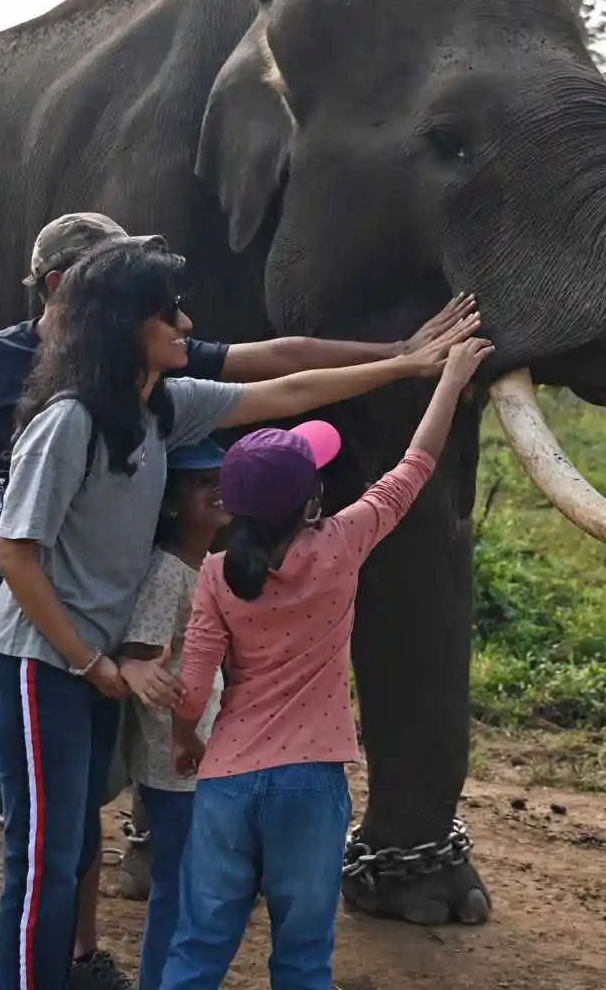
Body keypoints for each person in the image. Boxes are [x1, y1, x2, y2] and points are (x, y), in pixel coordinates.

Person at [0, 210, 478, 990]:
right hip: (36, 662)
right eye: (168, 312)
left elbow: (286, 386)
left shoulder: (160, 405)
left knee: (74, 846)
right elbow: (16, 554)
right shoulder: (71, 421)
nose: (187, 323)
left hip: (85, 663)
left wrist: (407, 364)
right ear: (123, 324)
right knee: (44, 855)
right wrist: (91, 663)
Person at [138, 335, 494, 990]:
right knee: (302, 958)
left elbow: (191, 694)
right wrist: (450, 379)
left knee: (197, 947)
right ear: (309, 501)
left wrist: (189, 742)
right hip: (310, 789)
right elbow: (414, 468)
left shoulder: (215, 574)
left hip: (227, 787)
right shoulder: (343, 543)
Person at [113, 437, 230, 990]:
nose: (218, 489)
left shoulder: (203, 565)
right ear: (173, 503)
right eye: (203, 482)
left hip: (194, 752)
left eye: (222, 478)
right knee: (179, 886)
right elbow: (140, 657)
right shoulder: (168, 572)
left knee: (189, 883)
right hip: (172, 760)